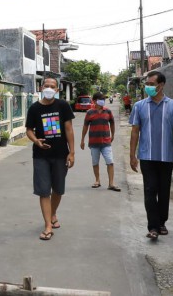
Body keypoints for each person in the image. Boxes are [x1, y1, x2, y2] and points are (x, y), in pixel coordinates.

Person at [129, 71, 173, 241]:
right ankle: (152, 226)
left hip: (166, 155)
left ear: (161, 85)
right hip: (147, 155)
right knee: (149, 189)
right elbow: (134, 132)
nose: (149, 87)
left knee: (164, 191)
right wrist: (132, 155)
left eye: (152, 84)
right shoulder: (139, 106)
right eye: (147, 83)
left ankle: (162, 222)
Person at [25, 76, 75, 241]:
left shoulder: (63, 106)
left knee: (58, 190)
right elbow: (29, 130)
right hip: (41, 156)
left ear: (57, 89)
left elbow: (69, 130)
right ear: (41, 88)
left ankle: (53, 213)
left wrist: (72, 152)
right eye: (46, 85)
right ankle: (47, 225)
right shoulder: (34, 108)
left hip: (61, 155)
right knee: (44, 191)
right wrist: (36, 141)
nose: (48, 88)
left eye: (52, 86)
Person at [80, 92, 119, 191]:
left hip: (106, 142)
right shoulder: (89, 113)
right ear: (94, 101)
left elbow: (112, 123)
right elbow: (85, 127)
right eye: (100, 99)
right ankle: (97, 180)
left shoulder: (108, 111)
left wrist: (113, 135)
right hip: (94, 142)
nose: (102, 101)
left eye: (103, 99)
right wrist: (82, 140)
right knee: (95, 162)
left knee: (110, 162)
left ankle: (111, 183)